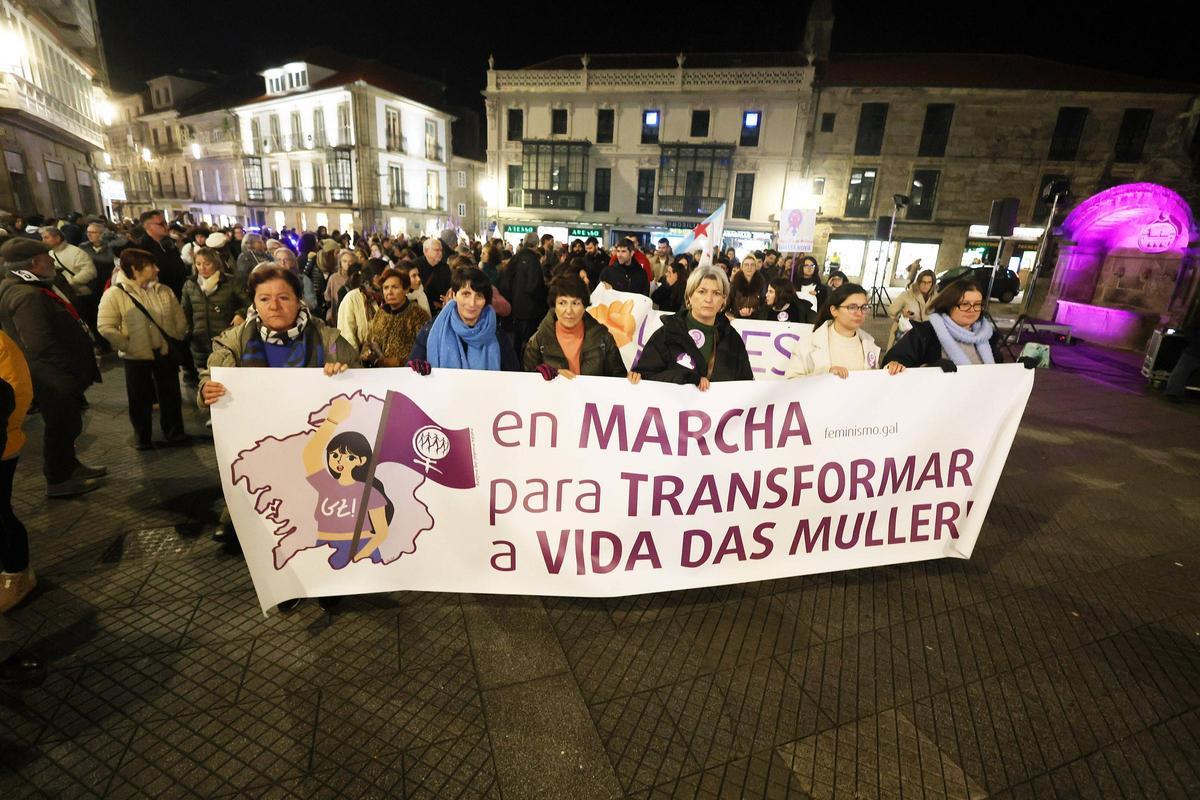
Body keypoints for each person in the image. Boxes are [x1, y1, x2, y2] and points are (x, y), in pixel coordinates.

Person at [200, 266, 358, 611]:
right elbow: (210, 374)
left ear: (298, 299)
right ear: (255, 303)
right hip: (267, 454)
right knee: (281, 523)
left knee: (325, 519)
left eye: (283, 297)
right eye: (265, 299)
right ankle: (287, 585)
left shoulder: (326, 337)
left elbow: (358, 376)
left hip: (318, 453)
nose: (275, 306)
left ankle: (329, 582)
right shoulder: (237, 340)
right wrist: (206, 389)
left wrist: (343, 369)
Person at [0, 238, 103, 497]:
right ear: (35, 262)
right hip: (51, 376)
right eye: (47, 256)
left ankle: (70, 467)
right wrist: (68, 369)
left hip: (55, 373)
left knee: (67, 423)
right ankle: (59, 480)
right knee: (61, 425)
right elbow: (39, 343)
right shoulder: (26, 294)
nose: (51, 260)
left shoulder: (28, 286)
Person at [97, 247, 190, 450]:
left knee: (171, 396)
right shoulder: (115, 294)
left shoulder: (163, 290)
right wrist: (128, 345)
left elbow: (179, 319)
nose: (157, 269)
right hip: (136, 357)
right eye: (151, 265)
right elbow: (105, 326)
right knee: (139, 399)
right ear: (135, 269)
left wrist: (175, 336)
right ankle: (143, 437)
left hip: (164, 351)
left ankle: (175, 433)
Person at [302, 397, 392, 568]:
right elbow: (310, 455)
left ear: (361, 460)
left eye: (349, 456)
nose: (339, 460)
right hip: (325, 547)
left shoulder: (369, 492)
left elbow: (381, 532)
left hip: (359, 548)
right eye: (335, 455)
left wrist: (361, 556)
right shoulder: (326, 484)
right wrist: (332, 420)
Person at [633, 264, 753, 389]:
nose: (709, 299)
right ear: (689, 296)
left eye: (716, 293)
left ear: (724, 300)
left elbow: (746, 386)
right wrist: (687, 378)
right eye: (702, 291)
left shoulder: (733, 340)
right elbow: (645, 379)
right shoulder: (666, 334)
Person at [410, 267, 519, 371]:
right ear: (454, 295)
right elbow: (411, 371)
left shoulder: (497, 335)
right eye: (466, 294)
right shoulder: (432, 330)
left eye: (479, 296)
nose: (472, 303)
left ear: (486, 301)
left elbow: (513, 376)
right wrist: (417, 369)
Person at [523, 274, 628, 380]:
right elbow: (527, 380)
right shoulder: (538, 341)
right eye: (562, 303)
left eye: (576, 303)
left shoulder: (603, 338)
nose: (568, 311)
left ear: (585, 306)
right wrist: (551, 375)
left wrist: (632, 379)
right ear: (554, 305)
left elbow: (618, 378)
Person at [785, 283, 901, 378]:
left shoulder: (869, 344)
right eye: (852, 307)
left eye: (864, 307)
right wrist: (824, 376)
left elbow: (871, 381)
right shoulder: (809, 344)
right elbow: (791, 381)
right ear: (834, 310)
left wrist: (888, 371)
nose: (859, 313)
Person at [882, 280, 1003, 369]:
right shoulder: (925, 333)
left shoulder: (986, 337)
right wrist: (929, 370)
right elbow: (893, 363)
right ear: (949, 305)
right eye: (965, 304)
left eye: (977, 304)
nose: (972, 310)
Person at [0, 329, 35, 612]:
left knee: (0, 512)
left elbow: (18, 391)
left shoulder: (1, 344)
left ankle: (16, 572)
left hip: (2, 444)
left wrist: (5, 432)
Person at [181, 247, 248, 379]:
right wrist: (188, 332)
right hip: (200, 342)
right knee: (206, 380)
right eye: (198, 264)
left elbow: (248, 303)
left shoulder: (231, 282)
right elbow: (184, 311)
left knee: (227, 377)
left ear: (216, 263)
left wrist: (241, 313)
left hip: (225, 339)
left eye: (207, 263)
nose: (202, 268)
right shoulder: (190, 284)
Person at [361, 268, 430, 367]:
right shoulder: (380, 313)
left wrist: (399, 362)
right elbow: (369, 341)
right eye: (385, 288)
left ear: (406, 289)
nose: (389, 292)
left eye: (395, 287)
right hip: (379, 376)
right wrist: (367, 353)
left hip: (406, 376)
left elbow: (425, 351)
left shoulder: (418, 315)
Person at [496, 232, 547, 356]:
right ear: (537, 244)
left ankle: (515, 363)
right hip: (530, 310)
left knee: (516, 341)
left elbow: (506, 282)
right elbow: (534, 286)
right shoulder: (533, 260)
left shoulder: (516, 257)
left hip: (514, 307)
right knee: (528, 341)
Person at [134, 210, 187, 298]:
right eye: (161, 224)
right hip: (159, 296)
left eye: (165, 223)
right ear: (148, 226)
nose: (166, 226)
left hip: (178, 293)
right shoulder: (142, 249)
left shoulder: (169, 243)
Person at [336, 258, 386, 350]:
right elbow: (347, 337)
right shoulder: (352, 299)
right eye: (386, 276)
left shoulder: (387, 299)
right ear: (375, 278)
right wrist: (355, 362)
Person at [886, 268, 935, 351]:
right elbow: (891, 310)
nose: (925, 285)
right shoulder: (907, 295)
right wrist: (901, 316)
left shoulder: (936, 297)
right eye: (923, 282)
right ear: (918, 282)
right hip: (907, 334)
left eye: (929, 282)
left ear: (932, 284)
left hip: (926, 336)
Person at [415, 237, 451, 309]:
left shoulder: (445, 268)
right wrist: (431, 303)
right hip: (421, 307)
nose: (440, 253)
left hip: (441, 308)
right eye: (437, 250)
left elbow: (449, 287)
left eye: (441, 250)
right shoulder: (415, 266)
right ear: (426, 251)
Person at [728, 253, 766, 319]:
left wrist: (754, 311)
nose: (749, 267)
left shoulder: (761, 283)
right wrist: (738, 312)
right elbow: (729, 303)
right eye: (746, 265)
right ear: (742, 267)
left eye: (752, 265)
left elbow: (764, 304)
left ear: (756, 267)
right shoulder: (735, 283)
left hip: (755, 320)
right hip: (736, 319)